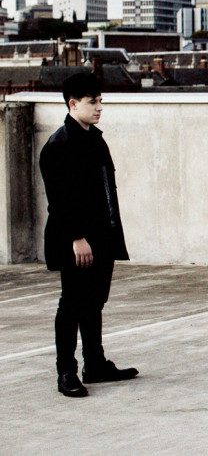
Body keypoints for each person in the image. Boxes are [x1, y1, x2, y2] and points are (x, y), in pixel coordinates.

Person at [40, 72, 138, 398]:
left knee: (94, 301)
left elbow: (105, 191)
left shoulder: (94, 139)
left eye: (100, 101)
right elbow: (59, 200)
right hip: (76, 240)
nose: (99, 107)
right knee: (71, 303)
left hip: (101, 236)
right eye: (92, 102)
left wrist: (109, 235)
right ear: (73, 104)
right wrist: (77, 238)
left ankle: (94, 364)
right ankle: (66, 371)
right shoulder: (58, 146)